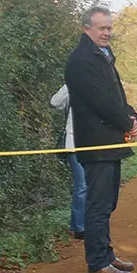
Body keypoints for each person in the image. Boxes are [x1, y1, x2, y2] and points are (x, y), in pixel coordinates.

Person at [63, 7, 137, 273]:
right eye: (101, 28)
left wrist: (132, 115)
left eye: (109, 27)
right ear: (86, 29)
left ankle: (106, 255)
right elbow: (101, 101)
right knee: (98, 204)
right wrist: (125, 121)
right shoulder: (82, 61)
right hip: (96, 143)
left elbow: (116, 95)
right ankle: (97, 264)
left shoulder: (102, 56)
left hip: (108, 140)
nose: (106, 32)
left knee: (107, 202)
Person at [49, 83, 85, 241]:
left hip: (92, 144)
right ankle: (79, 226)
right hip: (73, 144)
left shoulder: (95, 83)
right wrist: (69, 85)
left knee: (87, 185)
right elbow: (55, 102)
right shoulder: (72, 85)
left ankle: (76, 224)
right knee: (82, 185)